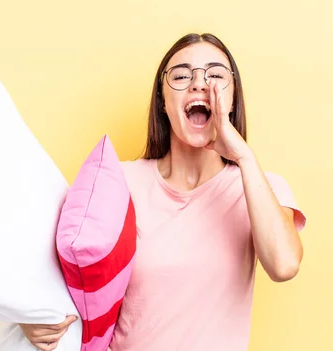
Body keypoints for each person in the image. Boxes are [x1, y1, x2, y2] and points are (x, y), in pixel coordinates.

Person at [20, 32, 307, 351]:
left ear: (233, 98)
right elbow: (62, 269)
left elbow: (284, 265)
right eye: (182, 75)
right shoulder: (120, 180)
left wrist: (243, 155)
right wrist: (30, 317)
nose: (200, 84)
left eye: (215, 75)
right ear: (163, 101)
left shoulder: (259, 188)